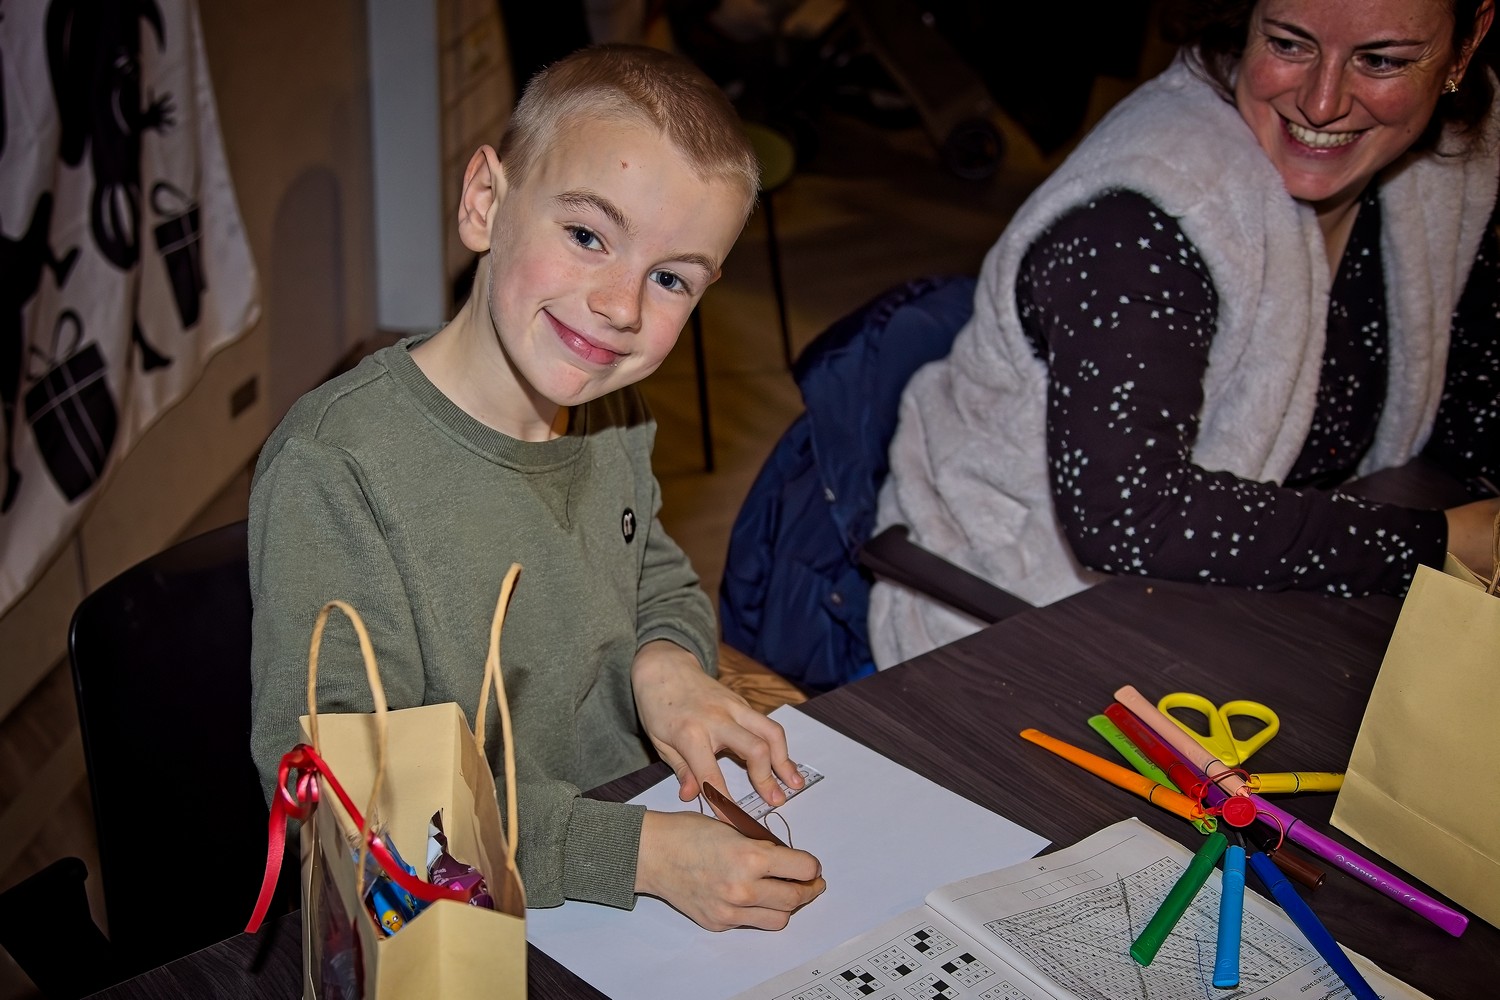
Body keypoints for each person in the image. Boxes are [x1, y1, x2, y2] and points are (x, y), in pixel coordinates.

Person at [248, 44, 825, 931]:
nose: (622, 306)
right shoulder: (337, 468)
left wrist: (666, 663)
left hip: (619, 829)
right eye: (588, 236)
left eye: (670, 278)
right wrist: (641, 855)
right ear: (486, 201)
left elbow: (654, 574)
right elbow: (358, 800)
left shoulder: (611, 410)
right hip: (455, 914)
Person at [871, 0, 1500, 666]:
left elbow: (1474, 398)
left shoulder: (1451, 164)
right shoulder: (1138, 220)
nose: (1322, 103)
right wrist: (1437, 542)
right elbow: (1128, 518)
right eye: (1288, 44)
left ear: (1464, 49)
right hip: (1016, 625)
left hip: (1236, 603)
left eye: (1380, 60)